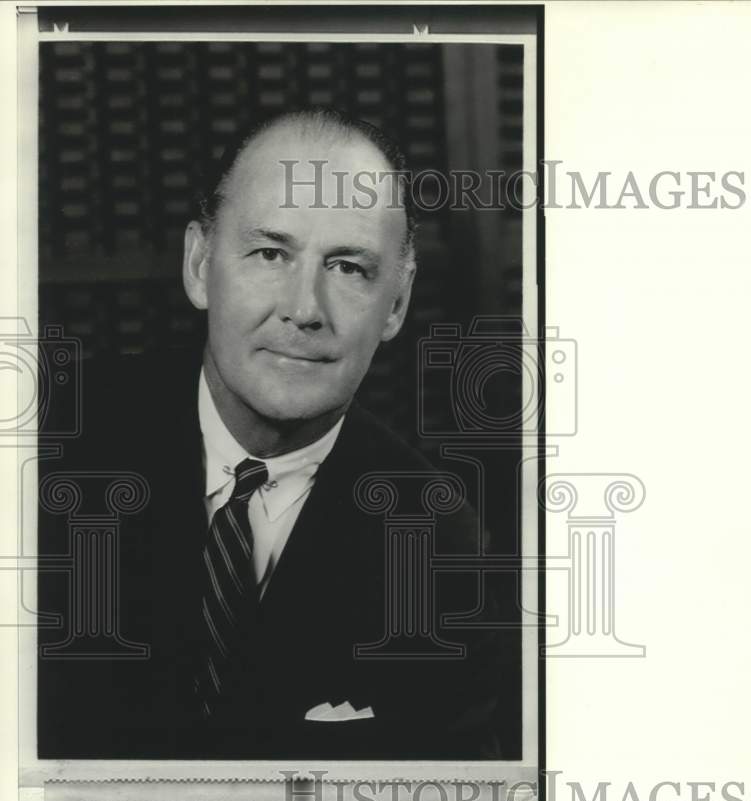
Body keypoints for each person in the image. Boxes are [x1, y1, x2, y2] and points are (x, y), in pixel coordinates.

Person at [37, 108, 520, 761]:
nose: (304, 309)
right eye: (270, 253)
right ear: (200, 265)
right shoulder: (44, 451)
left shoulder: (441, 548)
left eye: (348, 267)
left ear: (397, 304)